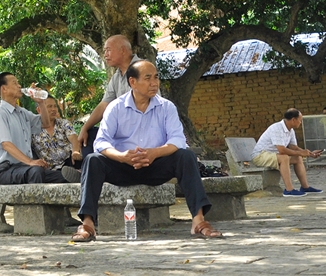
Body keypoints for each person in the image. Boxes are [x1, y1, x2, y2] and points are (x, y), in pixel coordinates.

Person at [70, 60, 222, 242]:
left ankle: (198, 221)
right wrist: (122, 157)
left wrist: (154, 153)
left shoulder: (166, 107)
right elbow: (101, 142)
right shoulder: (115, 108)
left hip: (155, 166)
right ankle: (88, 224)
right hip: (122, 167)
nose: (154, 83)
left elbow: (177, 140)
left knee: (186, 156)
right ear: (132, 82)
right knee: (93, 160)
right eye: (148, 78)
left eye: (156, 77)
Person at [0, 72, 71, 184]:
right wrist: (30, 162)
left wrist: (41, 103)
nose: (19, 86)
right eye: (15, 83)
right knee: (36, 171)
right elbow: (6, 144)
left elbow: (46, 124)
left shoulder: (22, 112)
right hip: (7, 171)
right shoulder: (0, 114)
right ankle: (34, 202)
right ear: (4, 89)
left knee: (64, 178)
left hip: (25, 168)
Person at [77, 35, 142, 154]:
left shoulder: (142, 70)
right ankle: (85, 169)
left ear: (122, 50)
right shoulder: (117, 76)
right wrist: (84, 128)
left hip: (136, 131)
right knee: (90, 134)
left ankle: (87, 169)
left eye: (108, 50)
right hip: (119, 130)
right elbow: (104, 104)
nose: (105, 54)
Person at [251, 108, 323, 197]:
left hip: (273, 155)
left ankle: (305, 187)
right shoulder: (276, 128)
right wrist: (301, 153)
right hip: (259, 156)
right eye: (300, 120)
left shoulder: (291, 130)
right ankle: (289, 190)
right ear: (293, 120)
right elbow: (282, 150)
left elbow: (293, 147)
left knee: (297, 158)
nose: (300, 123)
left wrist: (310, 153)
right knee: (284, 157)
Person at [32, 96, 83, 183]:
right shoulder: (32, 129)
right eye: (49, 106)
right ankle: (78, 175)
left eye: (55, 106)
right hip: (50, 168)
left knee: (82, 158)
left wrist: (75, 151)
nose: (53, 109)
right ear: (39, 110)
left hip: (69, 161)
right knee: (41, 175)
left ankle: (75, 174)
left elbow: (74, 139)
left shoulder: (63, 123)